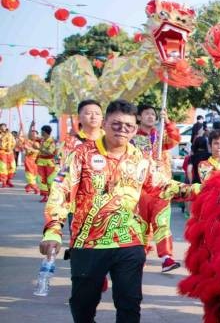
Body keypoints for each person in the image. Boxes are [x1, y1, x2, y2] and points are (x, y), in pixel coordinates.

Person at [39, 99, 200, 323]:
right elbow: (60, 191)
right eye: (116, 124)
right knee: (82, 307)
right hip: (89, 243)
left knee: (129, 305)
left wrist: (203, 190)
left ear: (135, 129)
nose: (122, 130)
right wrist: (52, 231)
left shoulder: (140, 159)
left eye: (128, 126)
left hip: (129, 240)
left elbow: (164, 186)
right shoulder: (79, 155)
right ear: (104, 124)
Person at [130, 104, 182, 272]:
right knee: (141, 225)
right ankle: (140, 254)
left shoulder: (160, 137)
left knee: (162, 222)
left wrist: (167, 121)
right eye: (147, 114)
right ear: (139, 117)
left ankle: (166, 257)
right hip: (140, 188)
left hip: (161, 187)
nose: (151, 117)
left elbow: (175, 139)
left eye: (153, 114)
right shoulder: (132, 138)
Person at [36, 125, 57, 201]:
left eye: (42, 131)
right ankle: (45, 196)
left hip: (49, 163)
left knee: (49, 180)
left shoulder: (52, 141)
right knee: (40, 178)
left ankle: (52, 194)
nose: (41, 133)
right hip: (41, 162)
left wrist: (39, 148)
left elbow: (50, 153)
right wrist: (31, 126)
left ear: (45, 132)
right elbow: (30, 137)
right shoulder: (42, 140)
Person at [22, 123, 41, 194]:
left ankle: (28, 186)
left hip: (36, 161)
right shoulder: (27, 141)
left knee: (35, 175)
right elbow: (27, 149)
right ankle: (35, 188)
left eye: (35, 134)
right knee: (30, 176)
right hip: (29, 161)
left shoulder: (39, 142)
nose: (33, 135)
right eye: (32, 134)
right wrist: (30, 125)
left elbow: (40, 150)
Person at [0, 123, 17, 187]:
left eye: (4, 126)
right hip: (2, 152)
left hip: (10, 152)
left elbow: (14, 142)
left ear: (6, 127)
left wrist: (11, 148)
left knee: (12, 167)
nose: (3, 128)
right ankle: (4, 181)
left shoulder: (10, 134)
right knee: (3, 167)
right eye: (1, 127)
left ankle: (8, 180)